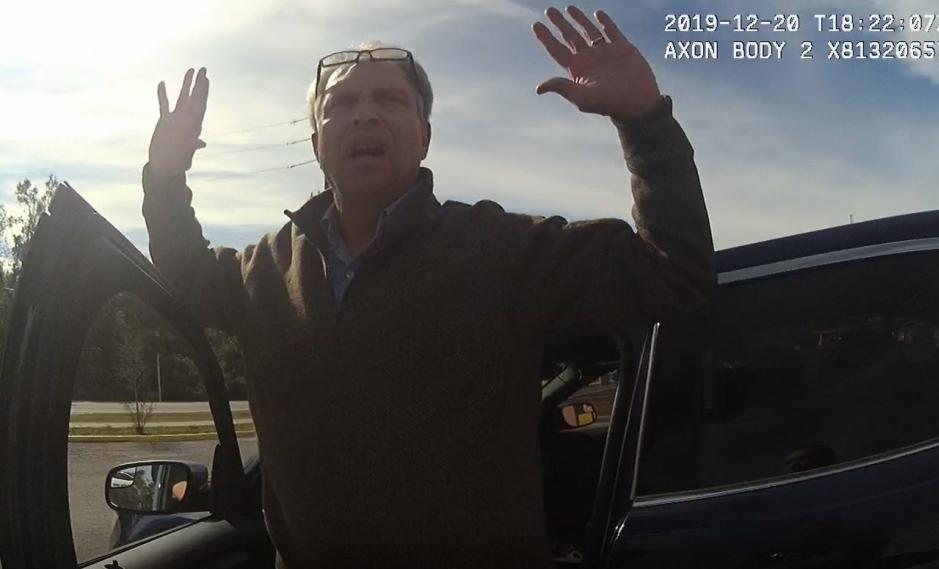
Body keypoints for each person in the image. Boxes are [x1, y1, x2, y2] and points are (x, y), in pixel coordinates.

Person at [141, 6, 714, 568]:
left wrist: (645, 122)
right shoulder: (265, 270)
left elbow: (670, 273)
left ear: (425, 136)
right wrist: (164, 180)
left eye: (388, 100)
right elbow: (184, 275)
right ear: (316, 142)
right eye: (341, 104)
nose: (364, 115)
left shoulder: (500, 250)